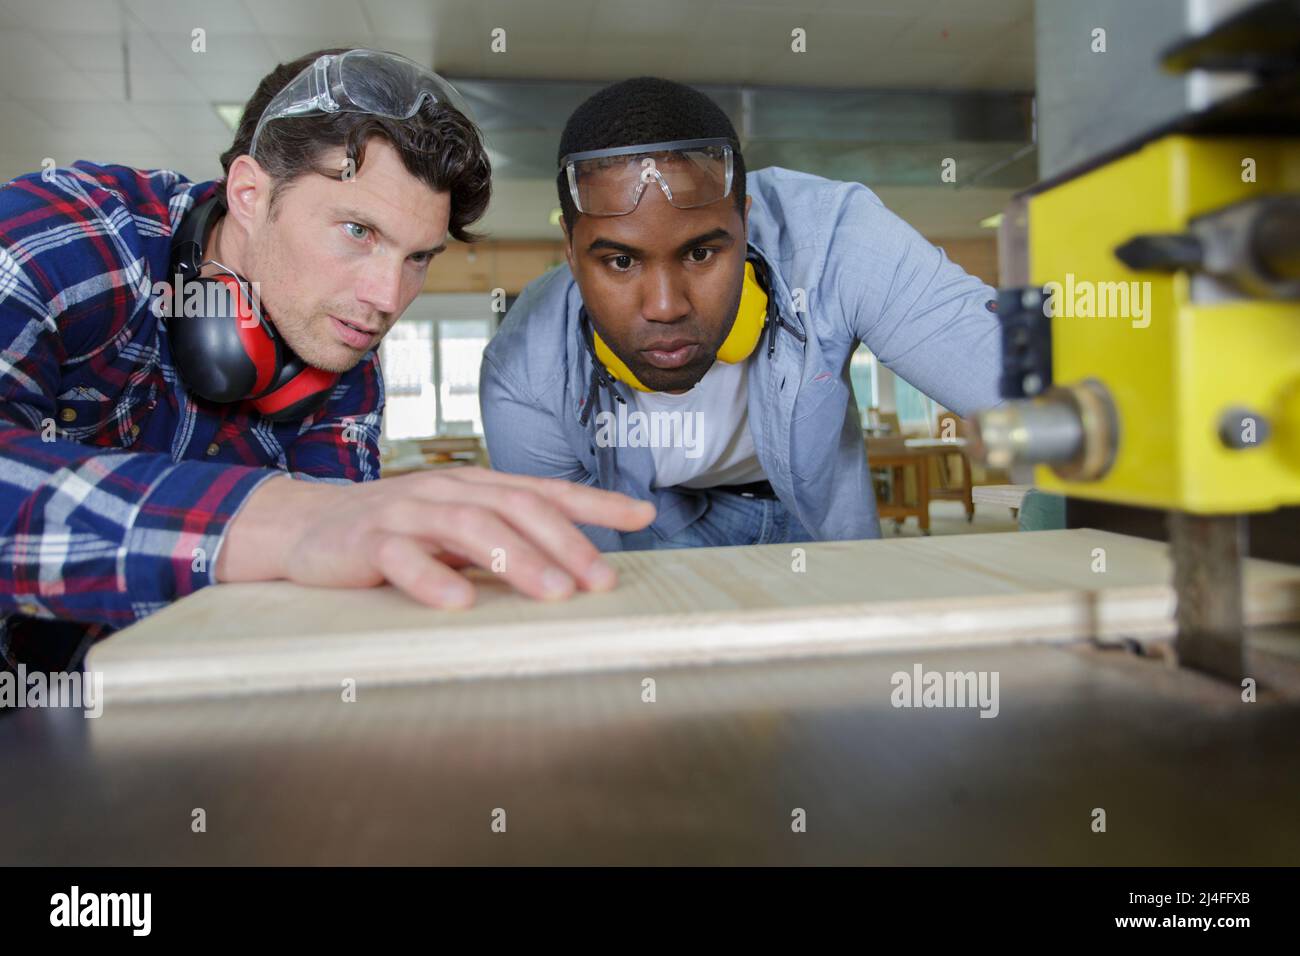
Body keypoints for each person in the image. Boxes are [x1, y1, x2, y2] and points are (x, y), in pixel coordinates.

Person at [0, 49, 652, 675]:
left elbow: (316, 603)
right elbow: (304, 535)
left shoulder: (343, 357)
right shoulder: (74, 233)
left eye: (418, 256)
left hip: (144, 719)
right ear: (250, 194)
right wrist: (279, 521)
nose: (387, 299)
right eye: (358, 232)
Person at [480, 77, 1002, 551]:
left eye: (701, 253)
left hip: (815, 514)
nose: (665, 306)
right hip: (658, 520)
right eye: (620, 260)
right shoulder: (524, 369)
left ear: (745, 225)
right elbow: (586, 576)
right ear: (570, 253)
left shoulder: (837, 240)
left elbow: (1016, 385)